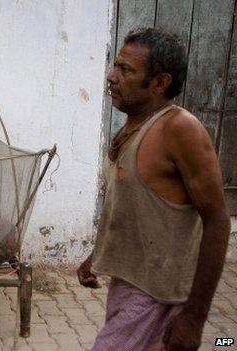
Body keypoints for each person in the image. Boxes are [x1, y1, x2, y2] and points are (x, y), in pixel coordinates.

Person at [78, 27, 231, 351]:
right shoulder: (135, 124)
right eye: (115, 66)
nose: (111, 77)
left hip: (155, 298)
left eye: (125, 69)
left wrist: (194, 319)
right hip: (129, 287)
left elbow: (218, 220)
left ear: (160, 82)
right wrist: (98, 255)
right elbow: (132, 206)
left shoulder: (180, 129)